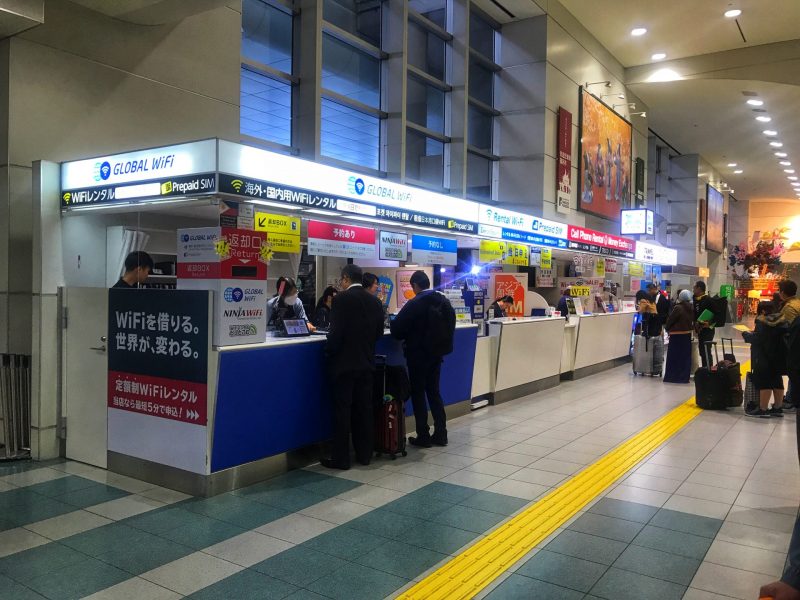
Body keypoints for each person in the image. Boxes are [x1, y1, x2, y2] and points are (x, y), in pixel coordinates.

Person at [322, 264, 384, 470]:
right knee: (364, 410)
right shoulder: (375, 302)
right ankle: (365, 455)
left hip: (344, 365)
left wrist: (329, 352)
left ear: (346, 279)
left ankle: (341, 459)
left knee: (342, 411)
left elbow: (336, 334)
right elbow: (378, 333)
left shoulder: (341, 299)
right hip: (366, 363)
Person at [390, 270, 456, 448]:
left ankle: (423, 436)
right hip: (437, 354)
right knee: (434, 392)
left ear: (415, 286)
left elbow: (397, 330)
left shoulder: (414, 303)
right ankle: (441, 433)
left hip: (417, 356)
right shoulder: (443, 300)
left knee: (419, 394)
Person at [742, 301, 787, 418]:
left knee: (764, 381)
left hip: (763, 356)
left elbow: (758, 338)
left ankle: (762, 409)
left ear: (762, 311)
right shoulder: (782, 321)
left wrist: (746, 335)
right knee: (777, 379)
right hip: (778, 356)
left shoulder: (762, 321)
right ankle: (778, 407)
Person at [663, 290, 694, 384]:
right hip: (687, 334)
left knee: (674, 356)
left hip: (676, 335)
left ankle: (672, 377)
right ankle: (684, 377)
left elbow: (670, 320)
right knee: (685, 357)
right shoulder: (691, 307)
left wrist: (667, 328)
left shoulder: (678, 308)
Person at [693, 281, 716, 368]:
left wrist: (709, 323)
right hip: (700, 330)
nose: (693, 289)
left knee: (706, 350)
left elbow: (717, 314)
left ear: (699, 288)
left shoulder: (709, 300)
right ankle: (704, 369)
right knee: (702, 351)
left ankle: (709, 370)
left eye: (694, 287)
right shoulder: (695, 299)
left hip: (708, 330)